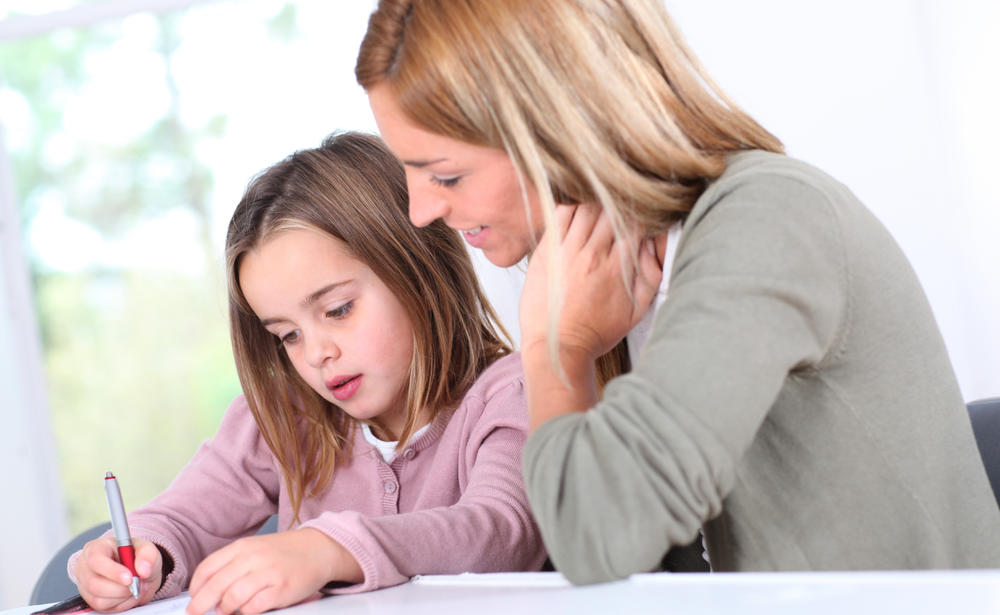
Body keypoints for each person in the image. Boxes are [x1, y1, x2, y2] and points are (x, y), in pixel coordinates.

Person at [356, 0, 1000, 581]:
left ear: (555, 126)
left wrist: (557, 348)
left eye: (444, 174)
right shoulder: (618, 270)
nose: (420, 211)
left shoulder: (767, 220)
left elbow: (598, 541)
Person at [70, 131, 546, 615]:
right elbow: (182, 517)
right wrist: (140, 553)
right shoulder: (283, 417)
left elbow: (502, 532)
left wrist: (328, 549)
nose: (316, 353)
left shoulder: (514, 393)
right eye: (288, 335)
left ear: (420, 271)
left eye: (338, 309)